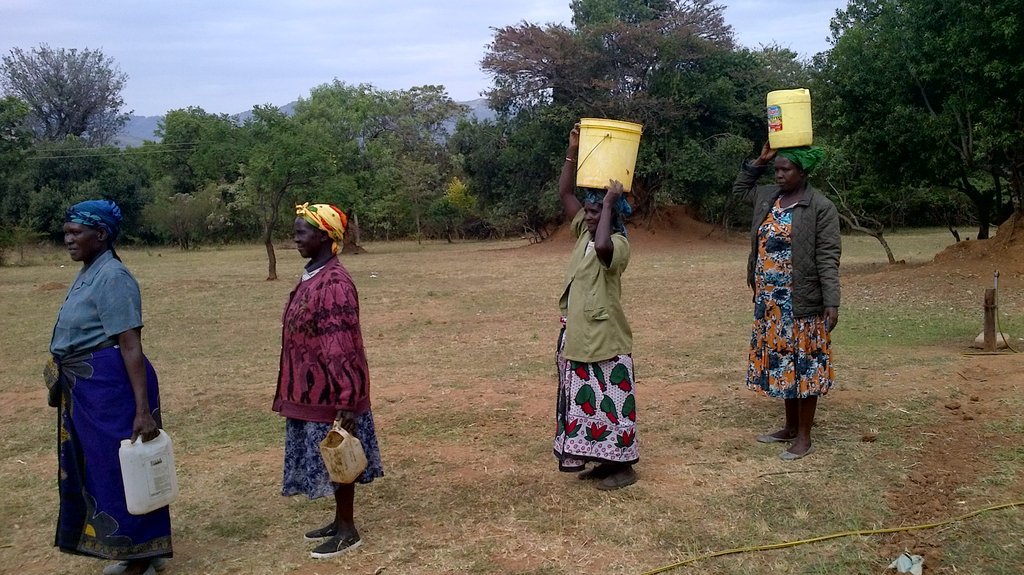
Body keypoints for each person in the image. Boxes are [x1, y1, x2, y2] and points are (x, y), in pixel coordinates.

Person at [46, 199, 172, 575]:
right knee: (101, 468)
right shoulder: (89, 271)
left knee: (124, 468)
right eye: (66, 232)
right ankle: (132, 550)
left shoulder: (113, 276)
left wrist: (142, 409)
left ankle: (140, 556)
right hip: (88, 387)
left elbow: (130, 344)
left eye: (76, 232)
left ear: (100, 235)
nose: (68, 239)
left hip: (112, 386)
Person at [273, 202, 384, 559]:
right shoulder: (314, 273)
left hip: (332, 391)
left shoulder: (334, 282)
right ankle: (338, 521)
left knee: (339, 457)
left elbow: (343, 344)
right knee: (331, 459)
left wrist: (347, 400)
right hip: (310, 388)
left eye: (302, 233)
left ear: (323, 237)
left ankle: (348, 529)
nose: (295, 239)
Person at [733, 143, 841, 460]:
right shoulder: (768, 197)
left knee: (805, 367)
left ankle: (804, 437)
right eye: (776, 169)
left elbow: (828, 257)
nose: (779, 174)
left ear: (803, 172)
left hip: (803, 300)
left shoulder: (821, 207)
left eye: (786, 169)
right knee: (783, 364)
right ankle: (790, 427)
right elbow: (740, 190)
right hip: (770, 302)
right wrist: (760, 160)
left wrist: (831, 300)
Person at [552, 123, 639, 490]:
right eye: (586, 211)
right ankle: (603, 462)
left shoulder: (617, 243)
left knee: (611, 403)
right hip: (580, 336)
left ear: (611, 214)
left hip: (605, 340)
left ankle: (623, 468)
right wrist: (573, 148)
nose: (588, 217)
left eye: (595, 212)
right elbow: (564, 192)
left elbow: (603, 247)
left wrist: (606, 205)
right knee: (590, 403)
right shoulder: (584, 233)